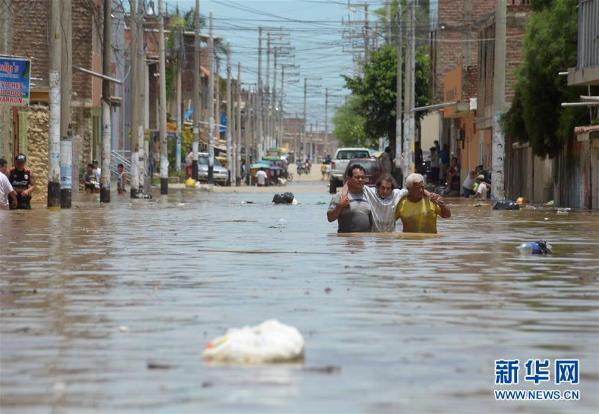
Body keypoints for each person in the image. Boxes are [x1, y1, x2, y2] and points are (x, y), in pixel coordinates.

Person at [327, 164, 372, 233]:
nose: (360, 180)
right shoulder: (340, 196)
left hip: (364, 240)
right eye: (357, 177)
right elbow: (330, 218)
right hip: (347, 240)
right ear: (349, 178)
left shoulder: (368, 195)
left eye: (362, 177)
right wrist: (340, 206)